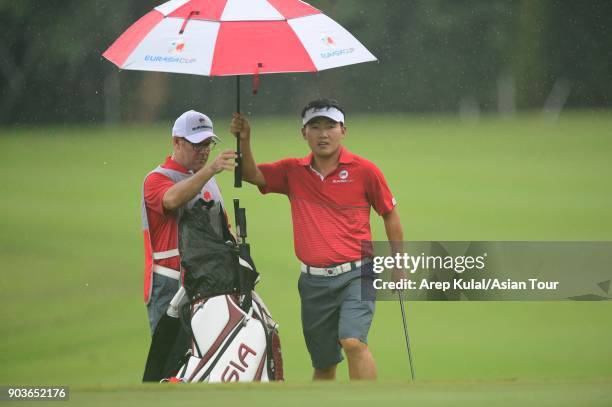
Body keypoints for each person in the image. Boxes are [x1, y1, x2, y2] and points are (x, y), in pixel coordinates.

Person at [231, 99, 404, 380]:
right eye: (315, 127)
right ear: (304, 133)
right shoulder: (292, 171)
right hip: (313, 283)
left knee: (353, 341)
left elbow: (390, 214)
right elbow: (252, 175)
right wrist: (245, 139)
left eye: (330, 126)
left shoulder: (365, 171)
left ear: (343, 131)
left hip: (357, 273)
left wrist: (399, 264)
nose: (323, 134)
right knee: (323, 364)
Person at [142, 110, 236, 334]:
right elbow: (172, 199)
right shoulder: (156, 178)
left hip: (210, 282)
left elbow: (225, 231)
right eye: (197, 145)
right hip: (170, 284)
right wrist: (211, 170)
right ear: (177, 142)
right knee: (172, 364)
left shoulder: (209, 181)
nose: (204, 151)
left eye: (207, 144)